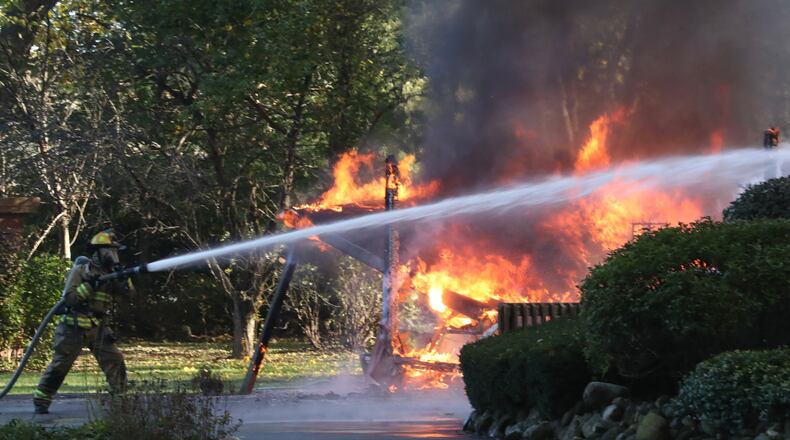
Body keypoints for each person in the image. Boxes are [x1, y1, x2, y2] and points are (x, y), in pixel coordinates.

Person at [33, 228, 133, 414]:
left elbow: (128, 294)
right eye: (109, 251)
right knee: (61, 364)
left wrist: (123, 277)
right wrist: (90, 286)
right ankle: (41, 400)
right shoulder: (80, 270)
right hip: (73, 326)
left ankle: (120, 399)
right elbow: (70, 299)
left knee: (115, 358)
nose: (113, 255)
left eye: (115, 251)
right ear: (98, 252)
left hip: (99, 327)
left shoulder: (112, 272)